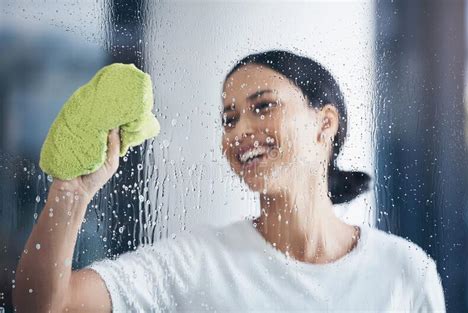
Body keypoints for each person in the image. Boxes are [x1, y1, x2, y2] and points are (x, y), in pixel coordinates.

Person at [13, 50, 446, 312]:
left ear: (324, 123)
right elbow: (47, 306)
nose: (238, 132)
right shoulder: (194, 263)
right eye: (229, 118)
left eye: (262, 106)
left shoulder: (407, 271)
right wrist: (70, 194)